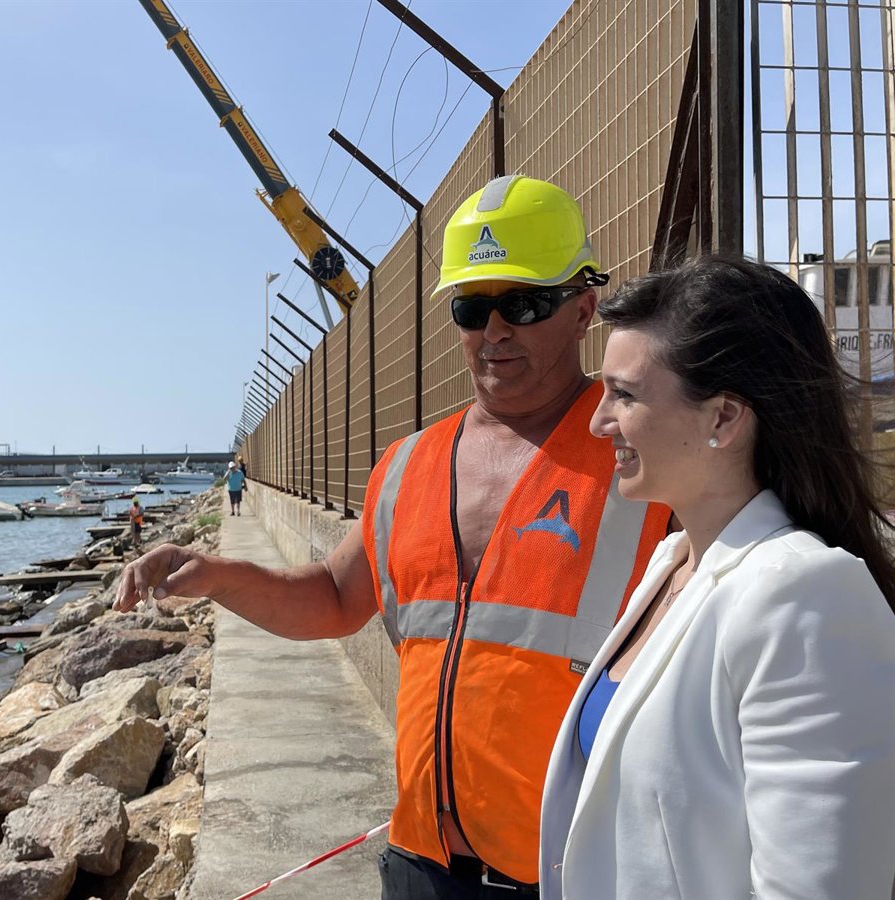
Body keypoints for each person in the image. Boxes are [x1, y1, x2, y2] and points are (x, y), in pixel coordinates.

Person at [116, 175, 670, 897]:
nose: (494, 331)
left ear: (583, 310)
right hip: (420, 864)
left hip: (577, 873)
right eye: (471, 307)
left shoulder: (644, 457)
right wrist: (217, 574)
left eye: (524, 304)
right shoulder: (409, 466)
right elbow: (334, 597)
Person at [538, 256, 895, 899]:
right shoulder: (673, 562)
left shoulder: (804, 596)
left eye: (625, 395)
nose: (598, 421)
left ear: (723, 418)